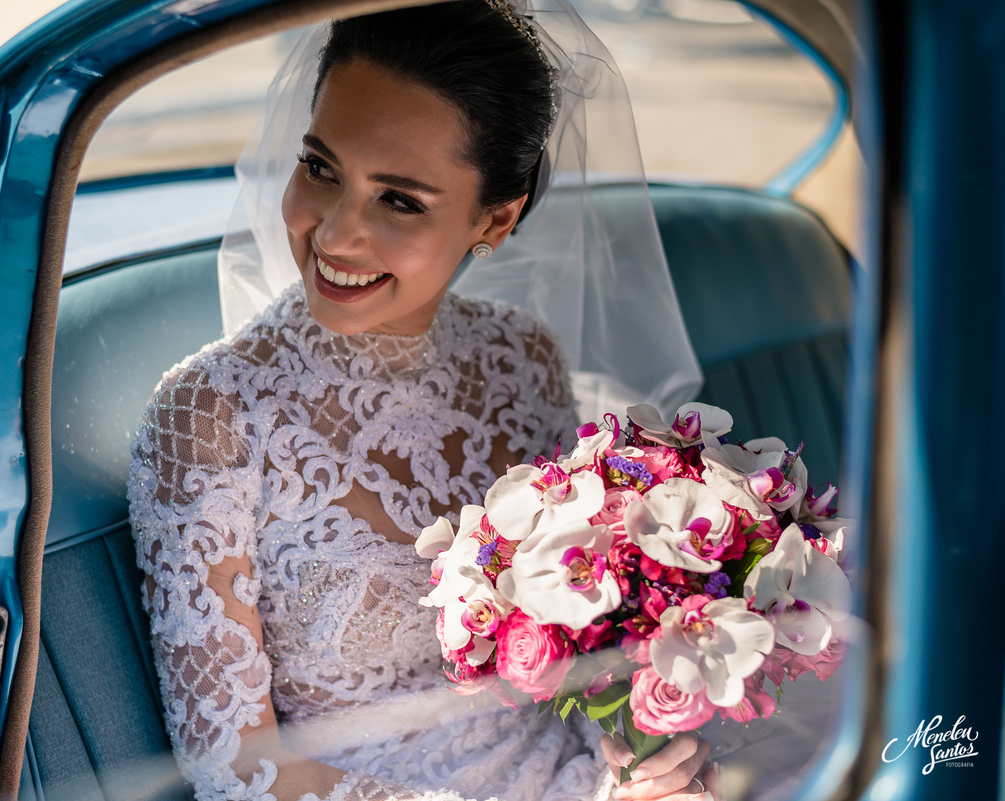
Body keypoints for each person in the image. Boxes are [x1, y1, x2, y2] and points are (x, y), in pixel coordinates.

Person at [127, 1, 721, 798]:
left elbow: (579, 637)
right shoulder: (210, 416)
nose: (335, 234)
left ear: (496, 217)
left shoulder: (525, 361)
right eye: (320, 167)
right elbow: (235, 770)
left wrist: (631, 750)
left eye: (398, 200)